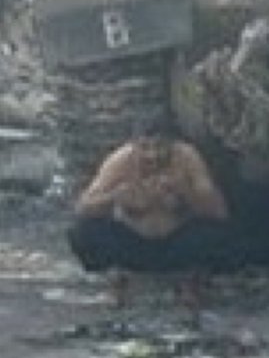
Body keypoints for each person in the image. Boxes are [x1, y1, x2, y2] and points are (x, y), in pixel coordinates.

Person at [67, 121, 239, 309]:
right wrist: (116, 197)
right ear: (134, 146)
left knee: (219, 236)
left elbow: (219, 211)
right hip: (132, 244)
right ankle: (116, 276)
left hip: (177, 244)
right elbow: (83, 207)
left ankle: (192, 279)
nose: (153, 155)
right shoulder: (120, 161)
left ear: (172, 145)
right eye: (145, 148)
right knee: (83, 232)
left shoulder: (187, 158)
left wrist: (185, 193)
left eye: (160, 147)